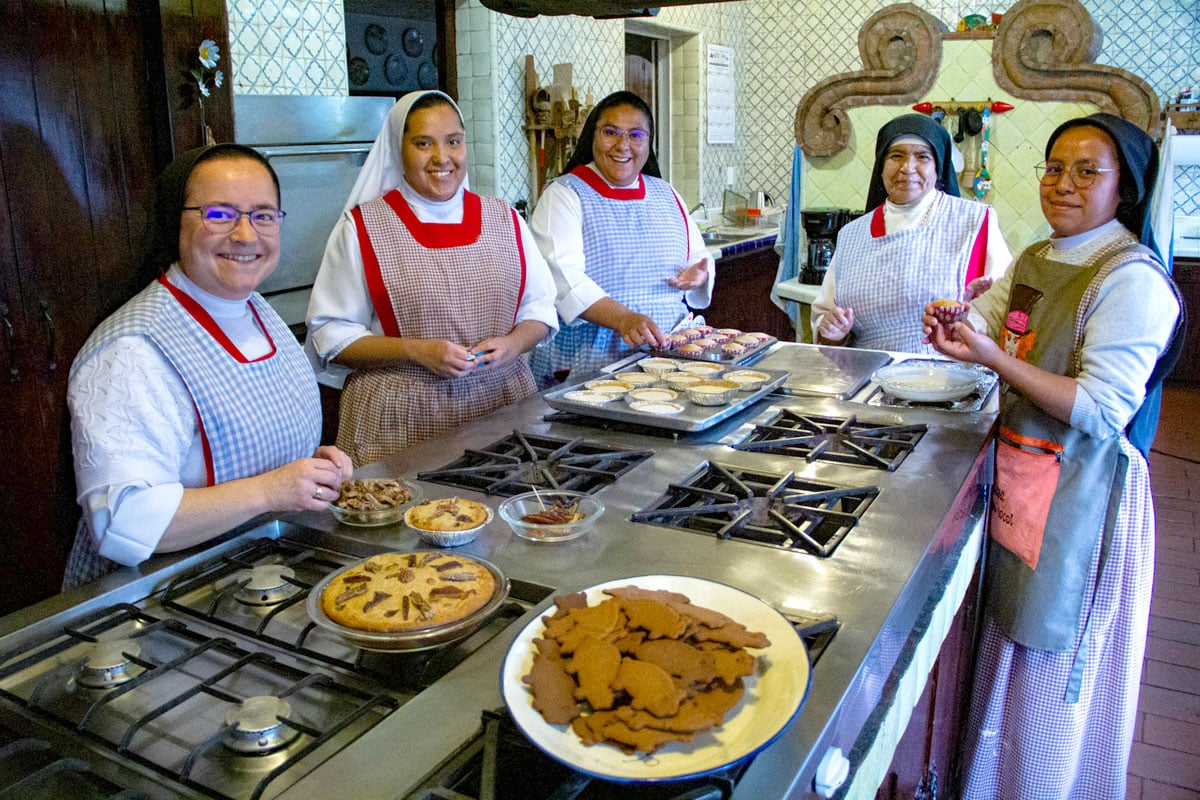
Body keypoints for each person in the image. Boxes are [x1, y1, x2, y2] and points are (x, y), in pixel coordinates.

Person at [922, 113, 1183, 798]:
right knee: (1005, 632)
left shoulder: (1130, 281)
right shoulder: (1041, 258)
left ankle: (1037, 783)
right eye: (1053, 167)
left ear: (1124, 187)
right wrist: (958, 324)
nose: (1061, 184)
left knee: (1047, 652)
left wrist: (991, 360)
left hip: (1084, 496)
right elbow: (990, 320)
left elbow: (1103, 409)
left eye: (1086, 171)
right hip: (1027, 473)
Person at [64, 144, 354, 589]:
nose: (245, 234)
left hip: (258, 574)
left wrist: (308, 469)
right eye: (219, 214)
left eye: (263, 215)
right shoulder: (132, 351)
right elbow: (123, 524)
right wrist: (270, 489)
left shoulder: (258, 311)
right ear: (174, 223)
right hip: (160, 604)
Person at [306, 91, 557, 466]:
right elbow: (331, 336)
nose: (442, 158)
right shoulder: (363, 228)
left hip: (501, 406)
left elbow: (540, 306)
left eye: (453, 142)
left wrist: (514, 343)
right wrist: (416, 351)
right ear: (398, 149)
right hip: (397, 419)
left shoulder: (506, 219)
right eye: (424, 143)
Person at [528, 91, 714, 383]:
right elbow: (563, 281)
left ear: (648, 142)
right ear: (593, 135)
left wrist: (698, 275)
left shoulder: (666, 194)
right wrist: (624, 319)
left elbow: (698, 255)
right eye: (610, 132)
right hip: (593, 354)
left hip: (667, 350)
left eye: (636, 135)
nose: (622, 145)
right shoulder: (565, 194)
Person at [812, 113, 1012, 352]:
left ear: (938, 166)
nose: (907, 168)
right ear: (881, 166)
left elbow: (1004, 312)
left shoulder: (975, 221)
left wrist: (974, 317)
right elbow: (826, 323)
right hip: (870, 378)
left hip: (951, 378)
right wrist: (833, 332)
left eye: (922, 157)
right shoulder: (851, 235)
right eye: (896, 156)